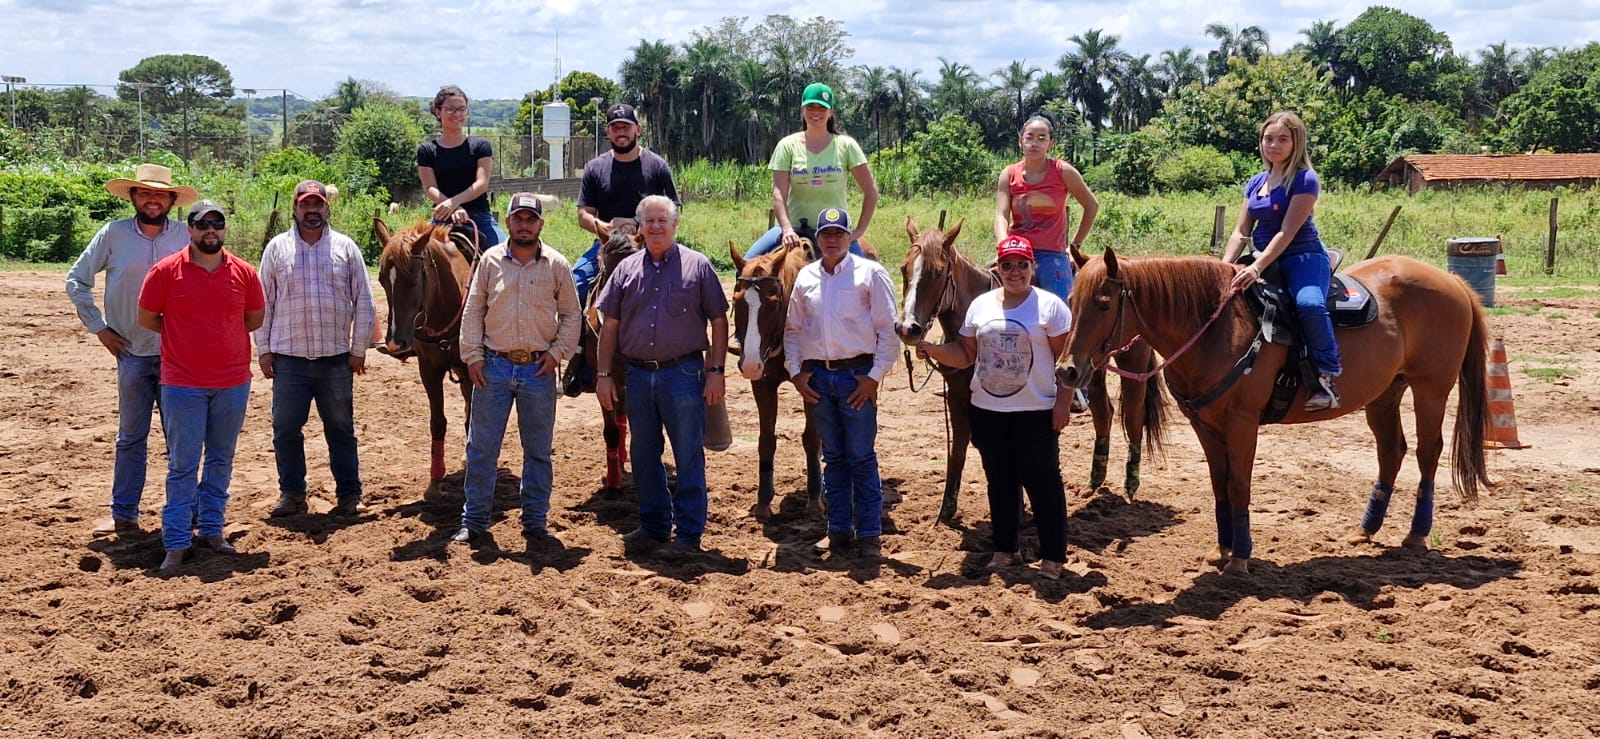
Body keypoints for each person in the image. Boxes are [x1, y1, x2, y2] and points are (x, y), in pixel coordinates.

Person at [917, 235, 1074, 580]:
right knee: (999, 482)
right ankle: (1005, 549)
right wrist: (932, 348)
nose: (1014, 272)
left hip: (1035, 409)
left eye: (1022, 265)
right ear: (998, 268)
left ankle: (1053, 557)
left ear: (1032, 267)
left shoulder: (1051, 308)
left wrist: (1062, 404)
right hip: (987, 410)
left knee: (1043, 482)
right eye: (1007, 265)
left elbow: (1065, 362)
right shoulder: (981, 307)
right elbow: (966, 354)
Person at [66, 163, 197, 537]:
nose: (153, 199)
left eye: (160, 194)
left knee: (181, 438)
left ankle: (188, 513)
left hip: (178, 355)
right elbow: (76, 280)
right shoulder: (113, 234)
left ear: (172, 200)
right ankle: (124, 513)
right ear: (134, 197)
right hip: (132, 353)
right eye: (145, 193)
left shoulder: (187, 237)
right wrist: (100, 329)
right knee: (131, 436)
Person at [595, 195, 729, 555]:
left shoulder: (698, 266)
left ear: (675, 225)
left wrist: (716, 371)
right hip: (637, 375)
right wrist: (604, 373)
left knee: (687, 454)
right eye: (649, 221)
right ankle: (653, 526)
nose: (655, 227)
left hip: (683, 372)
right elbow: (609, 325)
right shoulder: (625, 270)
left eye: (662, 221)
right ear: (639, 227)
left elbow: (719, 320)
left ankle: (687, 535)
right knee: (643, 453)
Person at [136, 201, 265, 571]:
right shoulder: (165, 272)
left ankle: (211, 529)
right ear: (189, 229)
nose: (211, 230)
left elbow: (253, 319)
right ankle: (176, 542)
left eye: (217, 223)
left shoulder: (244, 272)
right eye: (202, 224)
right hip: (182, 384)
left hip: (232, 381)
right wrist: (183, 335)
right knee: (183, 464)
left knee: (221, 459)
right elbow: (147, 318)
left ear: (225, 229)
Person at [452, 193, 581, 548]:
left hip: (538, 369)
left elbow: (572, 314)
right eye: (518, 218)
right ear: (507, 221)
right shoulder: (490, 261)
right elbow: (473, 310)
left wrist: (557, 354)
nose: (524, 224)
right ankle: (474, 520)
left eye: (531, 219)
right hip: (493, 366)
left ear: (541, 223)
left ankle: (535, 521)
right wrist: (473, 356)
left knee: (538, 450)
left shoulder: (556, 264)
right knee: (481, 448)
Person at [782, 207, 899, 560]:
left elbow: (887, 332)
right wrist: (796, 372)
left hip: (855, 376)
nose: (832, 240)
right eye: (826, 234)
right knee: (832, 457)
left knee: (861, 457)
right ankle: (838, 531)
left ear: (849, 237)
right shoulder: (805, 278)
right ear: (817, 239)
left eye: (838, 233)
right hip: (818, 378)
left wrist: (874, 378)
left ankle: (869, 535)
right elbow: (792, 330)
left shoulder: (871, 274)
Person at [255, 180, 377, 518]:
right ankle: (292, 493)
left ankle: (350, 495)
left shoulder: (346, 248)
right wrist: (263, 349)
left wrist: (359, 349)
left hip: (335, 358)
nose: (312, 210)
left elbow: (364, 301)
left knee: (340, 428)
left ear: (327, 208)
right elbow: (263, 303)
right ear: (294, 209)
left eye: (318, 204)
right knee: (285, 429)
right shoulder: (276, 249)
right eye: (305, 205)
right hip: (288, 359)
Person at [1221, 110, 1342, 411]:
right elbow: (1241, 230)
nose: (1273, 145)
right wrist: (1224, 266)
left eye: (1282, 139)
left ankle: (1326, 375)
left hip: (1302, 256)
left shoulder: (1305, 180)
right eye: (1268, 138)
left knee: (1309, 304)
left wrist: (1256, 267)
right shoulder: (1255, 182)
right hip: (1262, 257)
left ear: (1296, 143)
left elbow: (1287, 232)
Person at [567, 103, 681, 395]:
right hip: (607, 247)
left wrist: (640, 225)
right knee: (575, 284)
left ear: (637, 130)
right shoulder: (596, 168)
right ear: (608, 132)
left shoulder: (656, 166)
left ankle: (686, 360)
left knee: (685, 285)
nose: (621, 132)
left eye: (626, 127)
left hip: (651, 244)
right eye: (615, 127)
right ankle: (578, 360)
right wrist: (602, 226)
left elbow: (675, 209)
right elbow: (583, 214)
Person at [994, 113, 1098, 412]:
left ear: (1051, 143)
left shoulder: (1062, 172)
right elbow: (1001, 214)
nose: (1035, 143)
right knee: (984, 301)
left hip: (1052, 255)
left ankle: (1076, 387)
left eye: (1042, 138)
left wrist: (1073, 245)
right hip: (1017, 252)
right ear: (1020, 140)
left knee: (1063, 316)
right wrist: (1005, 246)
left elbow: (1091, 205)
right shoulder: (1009, 174)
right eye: (1030, 137)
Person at [743, 82, 877, 260]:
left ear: (831, 112)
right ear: (802, 110)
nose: (816, 113)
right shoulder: (787, 146)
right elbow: (779, 194)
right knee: (746, 266)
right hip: (795, 229)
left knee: (863, 278)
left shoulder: (846, 146)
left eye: (822, 108)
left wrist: (858, 231)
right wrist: (787, 229)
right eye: (811, 107)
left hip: (835, 231)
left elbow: (871, 191)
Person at [417, 85, 500, 249]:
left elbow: (481, 184)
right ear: (438, 112)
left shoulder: (480, 146)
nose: (457, 114)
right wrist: (452, 207)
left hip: (479, 217)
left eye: (462, 109)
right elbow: (430, 187)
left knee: (504, 256)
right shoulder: (426, 150)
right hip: (442, 217)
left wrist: (453, 203)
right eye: (451, 109)